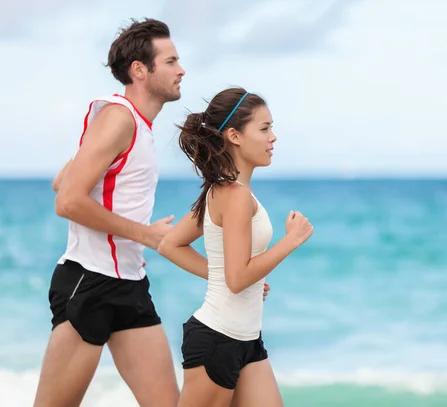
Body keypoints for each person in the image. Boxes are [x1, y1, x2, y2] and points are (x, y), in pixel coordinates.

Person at [36, 18, 270, 407]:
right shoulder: (118, 118)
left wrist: (234, 277)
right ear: (140, 70)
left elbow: (65, 181)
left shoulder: (134, 124)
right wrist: (143, 232)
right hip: (88, 282)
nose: (182, 70)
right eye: (171, 61)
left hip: (129, 285)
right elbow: (68, 201)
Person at [157, 87, 314, 407]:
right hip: (219, 338)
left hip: (247, 340)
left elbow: (171, 244)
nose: (273, 138)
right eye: (265, 128)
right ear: (235, 135)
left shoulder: (228, 190)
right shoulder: (233, 194)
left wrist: (240, 277)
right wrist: (291, 240)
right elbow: (237, 278)